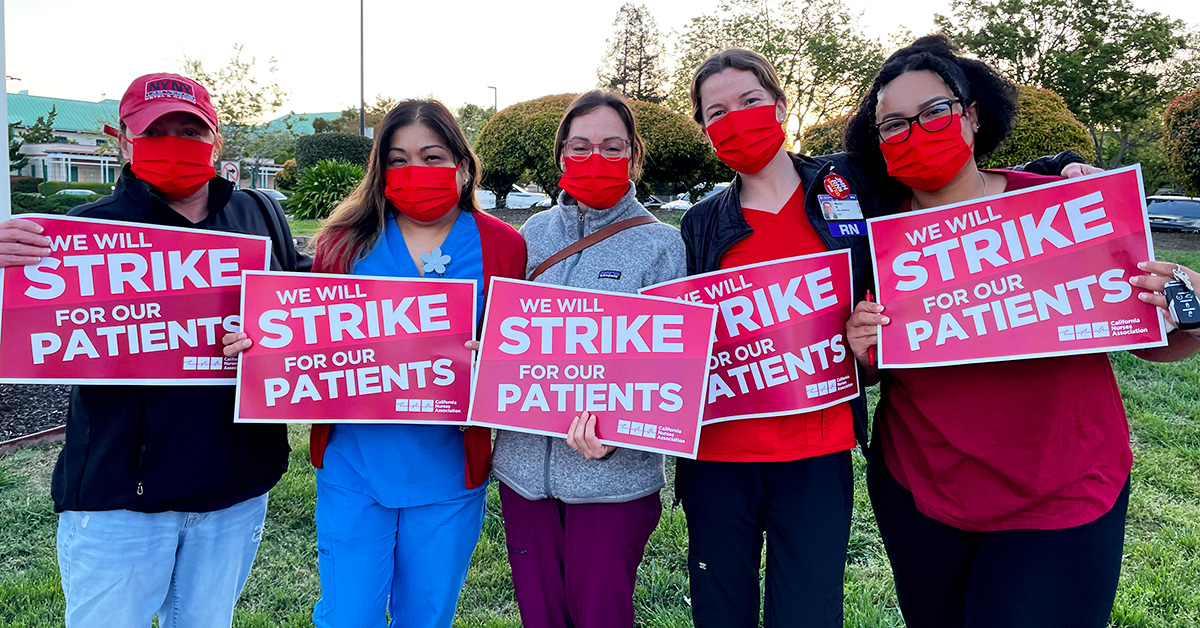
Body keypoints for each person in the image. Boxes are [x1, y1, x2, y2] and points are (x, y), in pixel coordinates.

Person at [677, 48, 1094, 628]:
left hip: (818, 450)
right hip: (722, 452)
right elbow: (683, 334)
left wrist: (1062, 169)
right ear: (703, 129)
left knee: (808, 611)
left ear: (779, 104)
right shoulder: (701, 221)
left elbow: (958, 189)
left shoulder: (848, 180)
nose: (737, 118)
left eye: (751, 101)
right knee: (721, 612)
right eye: (716, 112)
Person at [842, 35, 1200, 628]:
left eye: (933, 111)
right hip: (922, 490)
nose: (914, 132)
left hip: (1063, 489)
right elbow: (875, 369)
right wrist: (863, 349)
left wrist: (1188, 312)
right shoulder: (873, 242)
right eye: (893, 124)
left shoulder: (1061, 207)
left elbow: (1157, 341)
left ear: (972, 114)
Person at [0, 73, 306, 628]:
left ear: (215, 140)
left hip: (233, 493)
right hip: (121, 499)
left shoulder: (260, 214)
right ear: (124, 140)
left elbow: (310, 312)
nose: (173, 142)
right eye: (155, 130)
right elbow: (28, 331)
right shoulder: (72, 236)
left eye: (189, 129)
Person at [225, 100, 525, 628]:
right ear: (380, 170)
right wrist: (262, 346)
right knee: (347, 614)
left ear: (461, 164)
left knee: (427, 616)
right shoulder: (345, 243)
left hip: (449, 472)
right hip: (354, 466)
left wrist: (499, 362)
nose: (417, 172)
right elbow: (303, 337)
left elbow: (523, 351)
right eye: (399, 159)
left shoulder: (503, 246)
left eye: (432, 157)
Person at [488, 90, 687, 628]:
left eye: (611, 146)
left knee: (601, 615)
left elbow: (670, 370)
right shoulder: (532, 235)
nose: (593, 159)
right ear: (559, 157)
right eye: (579, 147)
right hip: (523, 471)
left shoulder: (662, 246)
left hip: (612, 480)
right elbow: (513, 334)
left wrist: (618, 433)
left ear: (635, 157)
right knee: (541, 617)